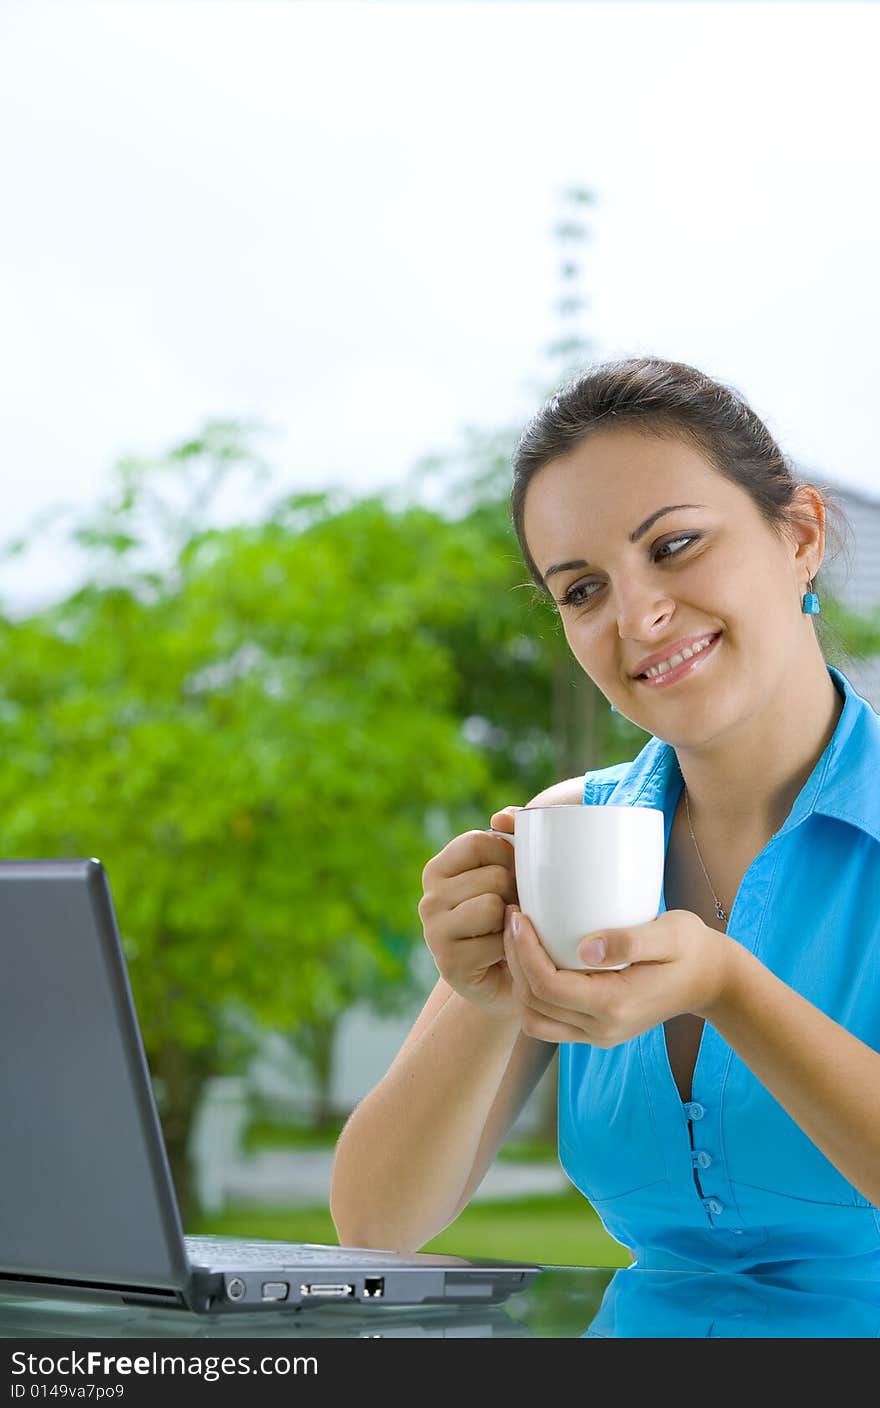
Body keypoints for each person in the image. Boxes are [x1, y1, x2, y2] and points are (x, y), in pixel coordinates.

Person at [330, 355, 880, 1276]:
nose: (640, 616)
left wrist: (729, 987)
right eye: (582, 590)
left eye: (674, 546)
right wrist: (484, 1000)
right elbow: (376, 1227)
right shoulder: (568, 830)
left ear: (800, 537)